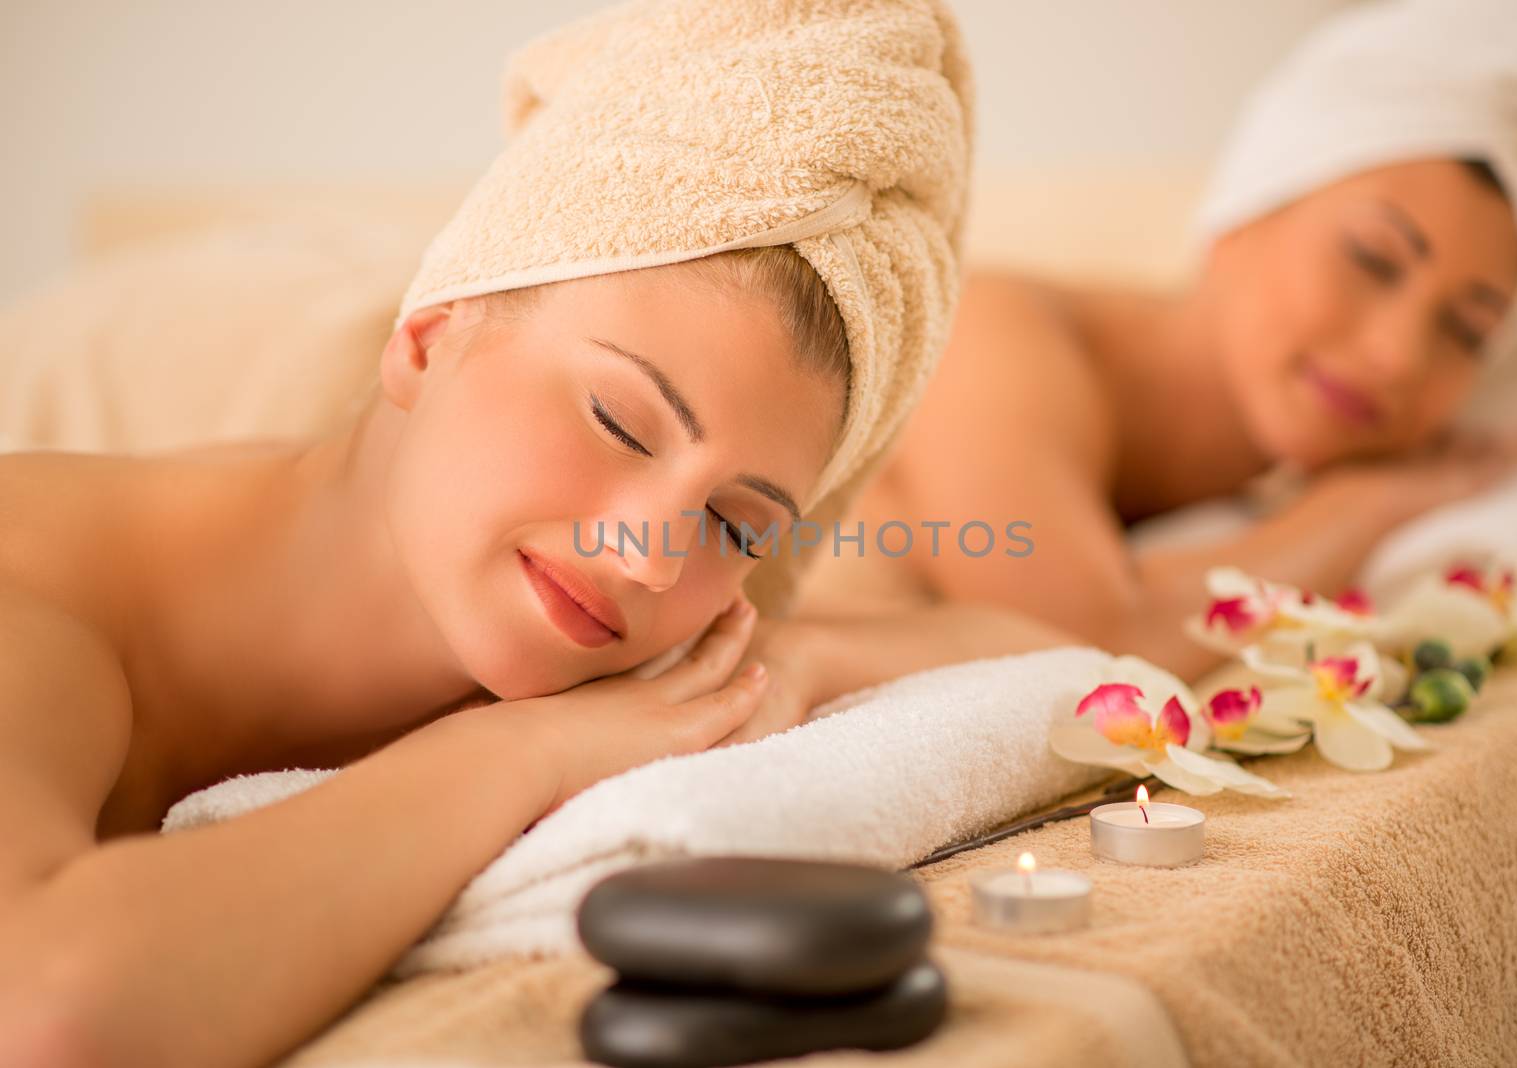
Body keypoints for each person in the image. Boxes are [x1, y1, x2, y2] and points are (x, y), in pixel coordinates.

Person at [0, 1, 980, 1064]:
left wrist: (781, 664)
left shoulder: (618, 648)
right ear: (426, 340)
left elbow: (1002, 642)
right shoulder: (34, 586)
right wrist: (511, 756)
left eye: (733, 524)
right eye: (618, 421)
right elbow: (49, 1011)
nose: (651, 555)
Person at [794, 0, 1517, 683]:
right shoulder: (994, 336)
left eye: (1468, 330)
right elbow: (1095, 637)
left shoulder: (1283, 461)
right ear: (1248, 200)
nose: (1398, 354)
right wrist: (1368, 505)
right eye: (1373, 258)